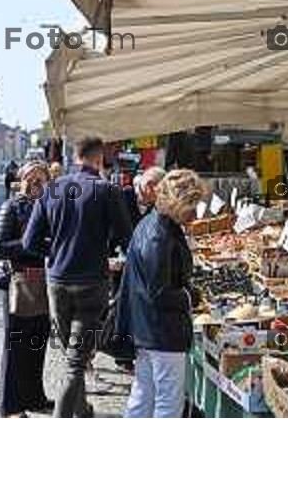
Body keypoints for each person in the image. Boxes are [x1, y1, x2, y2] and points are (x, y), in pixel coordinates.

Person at [23, 137, 132, 417]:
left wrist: (57, 249)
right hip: (92, 283)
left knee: (72, 356)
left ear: (75, 156)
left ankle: (81, 411)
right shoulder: (107, 190)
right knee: (75, 361)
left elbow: (30, 242)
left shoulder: (53, 188)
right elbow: (126, 238)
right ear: (99, 159)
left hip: (57, 282)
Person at [118, 169, 206, 418]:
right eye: (193, 205)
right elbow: (160, 292)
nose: (194, 212)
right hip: (162, 331)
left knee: (143, 394)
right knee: (168, 400)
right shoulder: (160, 234)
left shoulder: (151, 223)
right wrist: (191, 297)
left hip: (146, 327)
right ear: (180, 202)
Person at [0, 161, 53, 418]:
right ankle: (11, 407)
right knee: (15, 344)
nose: (33, 183)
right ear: (19, 181)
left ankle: (34, 397)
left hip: (43, 282)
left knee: (38, 341)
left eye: (39, 179)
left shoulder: (49, 207)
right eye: (29, 178)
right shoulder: (12, 206)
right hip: (17, 281)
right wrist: (33, 244)